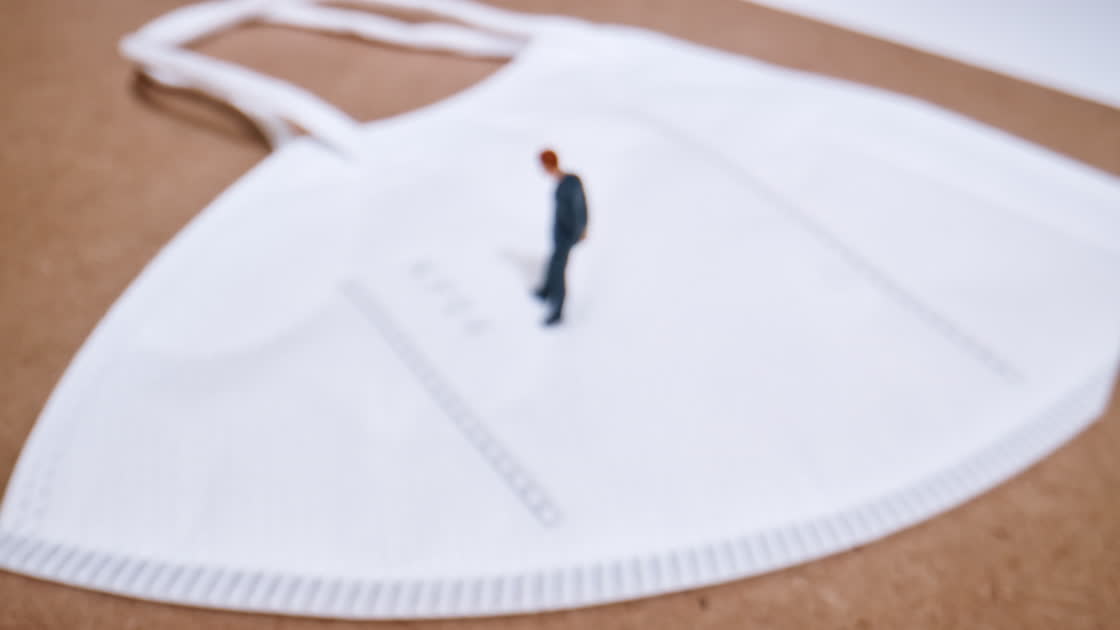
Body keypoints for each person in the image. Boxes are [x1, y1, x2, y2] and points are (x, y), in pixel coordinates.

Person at [534, 149, 588, 326]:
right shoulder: (562, 182)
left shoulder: (571, 183)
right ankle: (546, 290)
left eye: (544, 166)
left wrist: (579, 232)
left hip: (567, 235)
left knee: (559, 270)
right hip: (559, 233)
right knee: (553, 262)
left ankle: (557, 311)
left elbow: (580, 209)